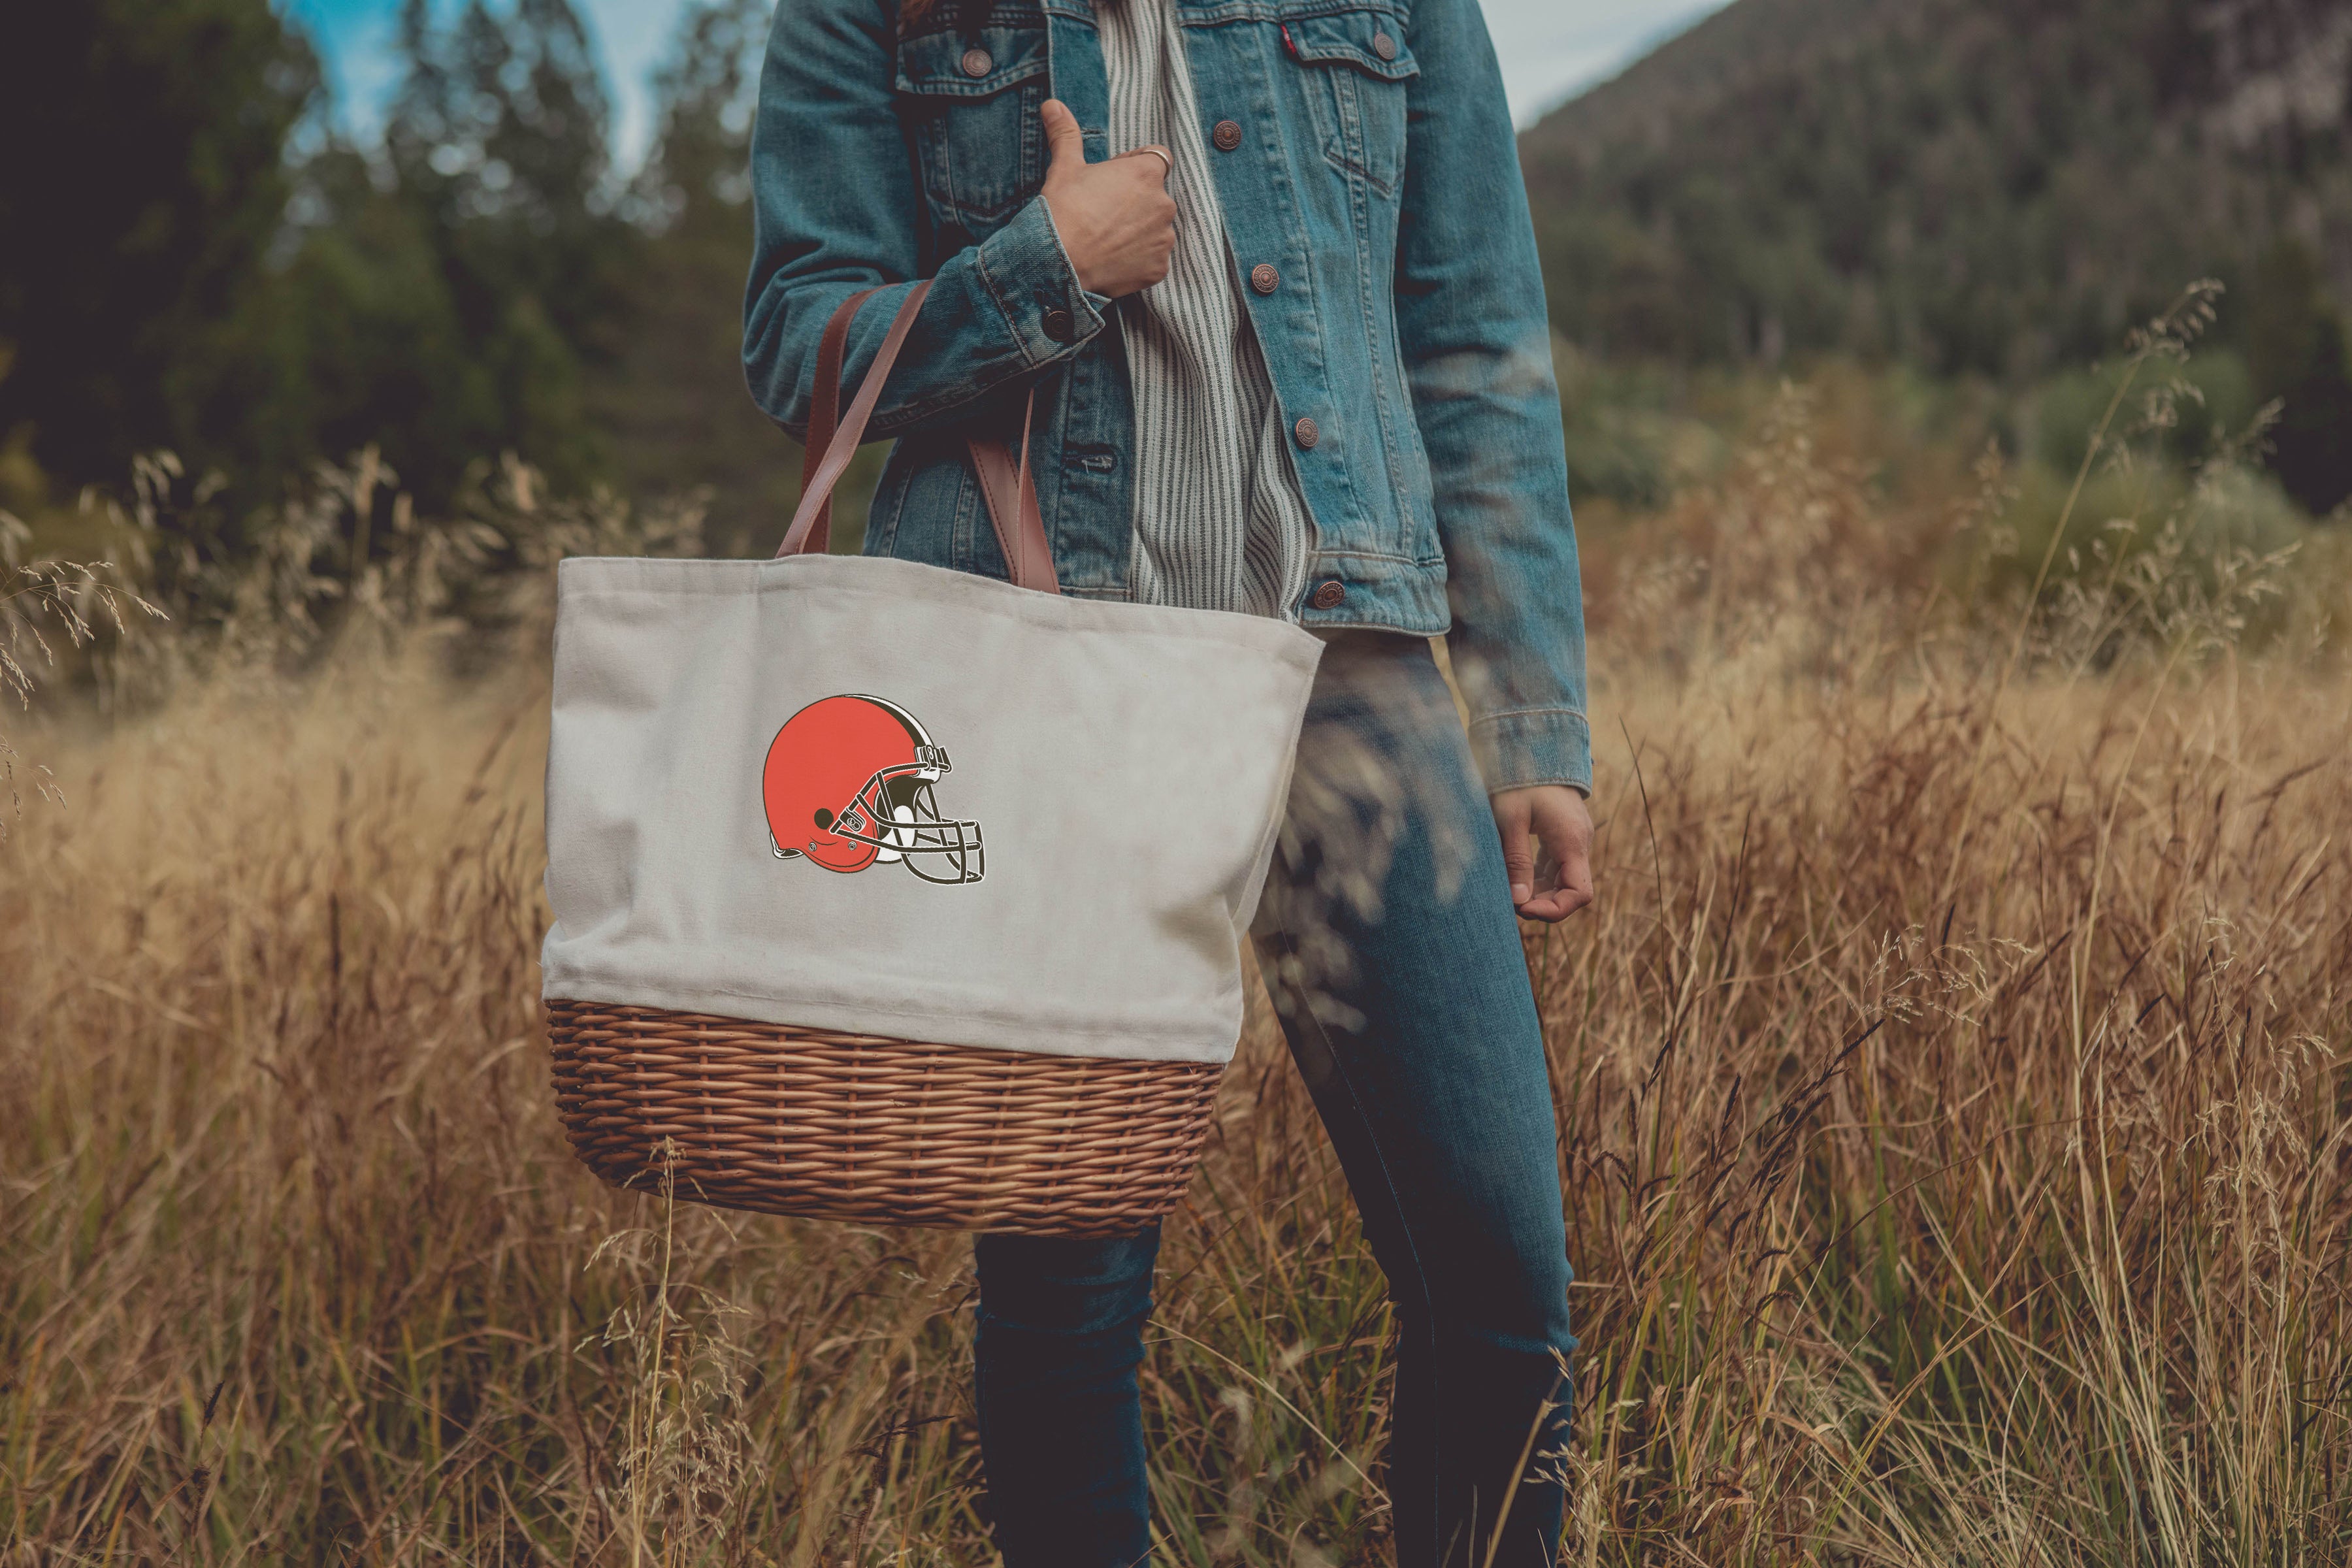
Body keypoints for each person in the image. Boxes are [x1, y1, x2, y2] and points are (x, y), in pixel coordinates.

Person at [745, 0, 1594, 1560]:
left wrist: (1533, 714)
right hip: (1048, 687)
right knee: (1070, 1303)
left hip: (1353, 676)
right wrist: (1038, 271)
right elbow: (798, 337)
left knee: (1500, 1283)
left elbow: (1473, 338)